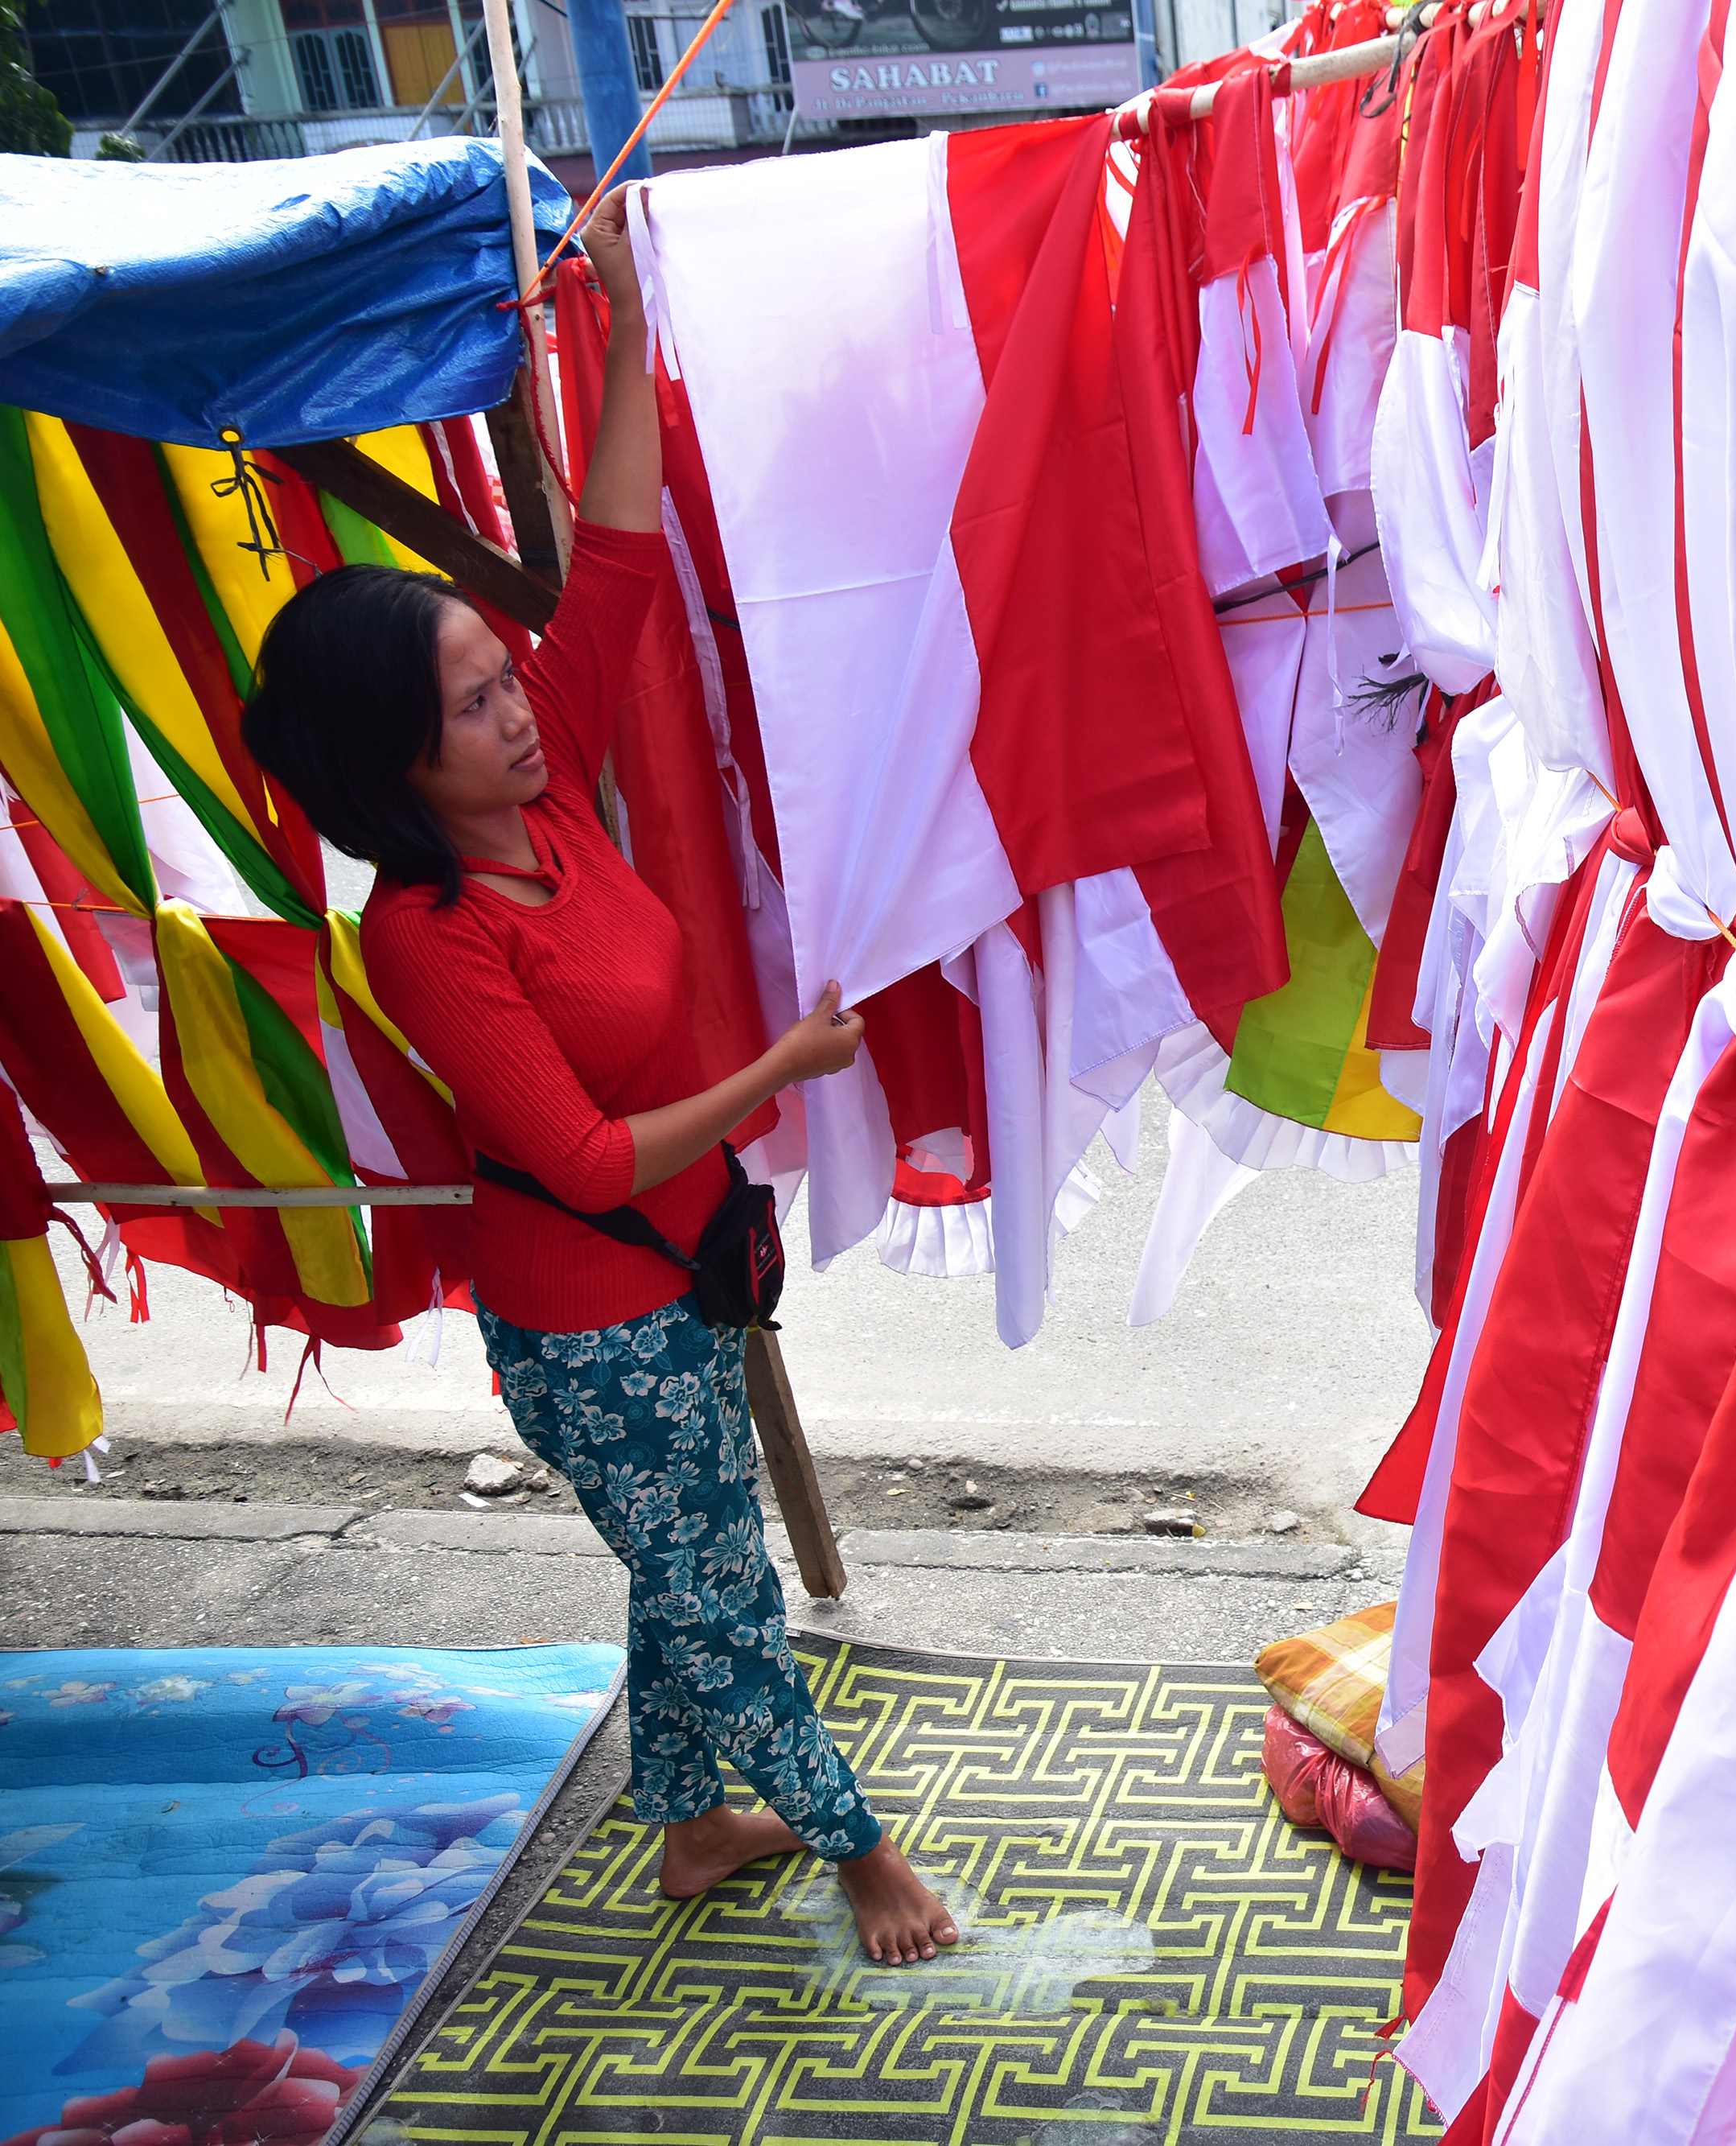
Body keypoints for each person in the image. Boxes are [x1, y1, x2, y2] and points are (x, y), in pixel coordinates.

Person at [240, 192, 956, 1967]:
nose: (519, 709)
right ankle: (857, 1850)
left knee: (682, 1565)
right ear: (394, 760)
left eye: (502, 675)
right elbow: (564, 1138)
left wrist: (631, 318)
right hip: (593, 1327)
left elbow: (620, 557)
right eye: (474, 701)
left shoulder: (543, 799)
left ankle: (694, 1822)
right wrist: (777, 1067)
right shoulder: (425, 928)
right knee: (723, 1594)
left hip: (684, 1268)